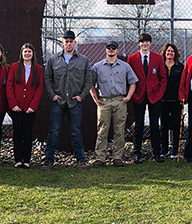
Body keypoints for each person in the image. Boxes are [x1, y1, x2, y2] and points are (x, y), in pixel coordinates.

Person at [42, 30, 93, 170]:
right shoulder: (53, 59)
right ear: (62, 42)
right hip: (58, 101)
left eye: (71, 41)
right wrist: (52, 94)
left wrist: (81, 96)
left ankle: (81, 160)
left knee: (76, 130)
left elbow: (88, 80)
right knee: (53, 130)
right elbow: (47, 78)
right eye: (66, 41)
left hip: (74, 101)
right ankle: (48, 160)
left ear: (75, 43)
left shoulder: (83, 60)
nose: (69, 44)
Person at [90, 41, 137, 167]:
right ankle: (100, 158)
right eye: (109, 48)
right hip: (104, 101)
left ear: (117, 50)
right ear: (105, 50)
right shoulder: (97, 66)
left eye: (113, 48)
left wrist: (128, 97)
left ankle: (117, 157)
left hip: (119, 101)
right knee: (102, 130)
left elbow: (133, 82)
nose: (111, 50)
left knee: (119, 130)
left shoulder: (125, 66)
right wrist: (95, 98)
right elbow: (90, 83)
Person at [127, 33, 167, 163]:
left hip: (154, 96)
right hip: (138, 95)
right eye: (142, 42)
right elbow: (129, 78)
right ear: (139, 43)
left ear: (150, 43)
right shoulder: (132, 59)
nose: (145, 44)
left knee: (155, 125)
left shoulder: (157, 58)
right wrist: (132, 93)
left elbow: (163, 78)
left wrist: (159, 93)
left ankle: (157, 153)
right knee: (139, 124)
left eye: (147, 42)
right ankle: (137, 153)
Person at [7, 43, 44, 169]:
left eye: (29, 51)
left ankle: (26, 160)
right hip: (17, 107)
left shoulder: (38, 69)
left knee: (28, 134)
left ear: (33, 54)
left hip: (30, 108)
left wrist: (33, 106)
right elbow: (9, 86)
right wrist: (13, 104)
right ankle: (18, 160)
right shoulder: (15, 66)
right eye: (25, 52)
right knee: (17, 133)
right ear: (21, 54)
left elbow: (39, 88)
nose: (27, 54)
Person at [160, 43, 184, 159]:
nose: (170, 53)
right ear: (164, 53)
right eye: (168, 51)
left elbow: (183, 83)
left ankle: (175, 149)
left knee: (176, 125)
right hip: (162, 100)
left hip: (176, 101)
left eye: (172, 51)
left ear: (176, 54)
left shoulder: (180, 67)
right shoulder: (160, 66)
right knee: (163, 125)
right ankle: (164, 148)